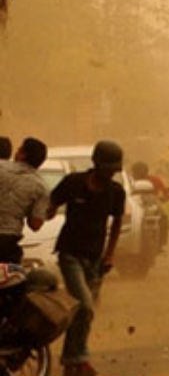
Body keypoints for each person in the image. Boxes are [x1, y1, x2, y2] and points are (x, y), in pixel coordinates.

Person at [47, 140, 126, 376]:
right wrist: (45, 213)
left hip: (95, 258)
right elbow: (51, 204)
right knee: (85, 306)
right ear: (96, 164)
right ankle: (78, 358)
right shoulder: (73, 183)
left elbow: (117, 224)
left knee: (81, 312)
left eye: (114, 169)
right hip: (70, 253)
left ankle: (73, 362)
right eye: (107, 168)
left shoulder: (116, 192)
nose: (111, 173)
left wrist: (110, 254)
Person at [0, 137, 50, 263]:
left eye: (18, 150)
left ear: (22, 155)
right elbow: (35, 225)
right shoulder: (41, 187)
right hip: (7, 244)